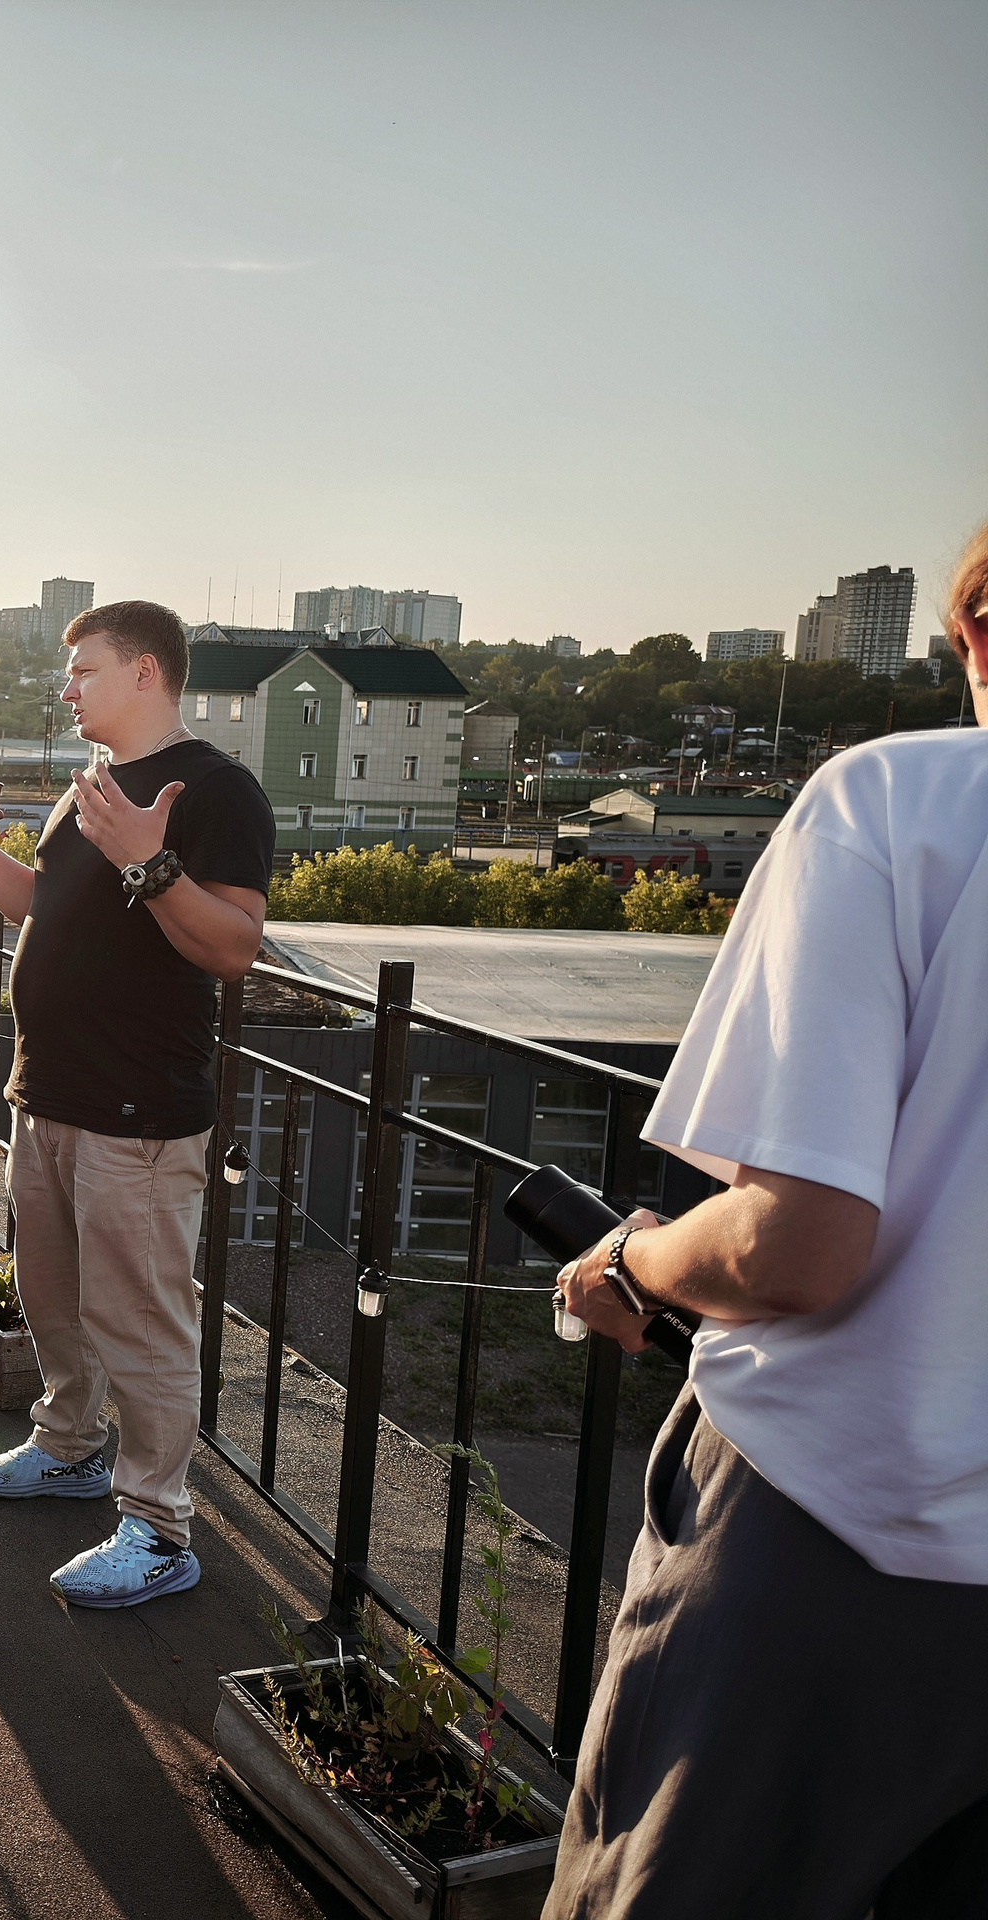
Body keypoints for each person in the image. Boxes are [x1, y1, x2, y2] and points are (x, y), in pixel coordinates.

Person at [544, 521, 988, 1918]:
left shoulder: (899, 807)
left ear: (972, 632)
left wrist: (628, 1257)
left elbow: (797, 1245)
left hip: (834, 1547)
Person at [0, 601, 272, 1608]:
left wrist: (147, 856)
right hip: (47, 1096)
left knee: (142, 1326)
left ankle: (158, 1529)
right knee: (56, 1305)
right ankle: (70, 1449)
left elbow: (230, 947)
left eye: (85, 668)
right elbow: (48, 909)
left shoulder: (213, 791)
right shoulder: (87, 792)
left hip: (138, 1116)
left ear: (145, 674)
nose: (68, 685)